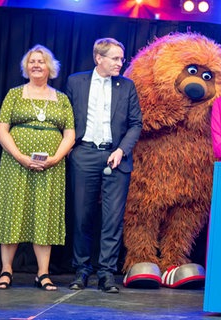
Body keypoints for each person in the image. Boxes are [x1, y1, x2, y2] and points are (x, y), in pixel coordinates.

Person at [0, 45, 75, 291]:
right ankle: (6, 271)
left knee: (44, 215)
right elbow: (0, 130)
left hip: (51, 167)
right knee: (12, 213)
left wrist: (55, 158)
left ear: (50, 67)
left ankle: (43, 273)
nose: (36, 65)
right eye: (31, 62)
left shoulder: (62, 99)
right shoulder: (14, 94)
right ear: (26, 67)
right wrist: (20, 156)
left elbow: (70, 134)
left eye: (40, 61)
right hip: (15, 164)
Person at [66, 38, 143, 293]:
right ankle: (82, 269)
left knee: (112, 220)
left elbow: (135, 123)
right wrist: (71, 150)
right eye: (115, 58)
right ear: (98, 58)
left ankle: (106, 274)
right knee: (82, 217)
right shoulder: (76, 82)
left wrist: (121, 150)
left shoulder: (127, 86)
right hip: (85, 154)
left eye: (122, 58)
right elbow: (67, 120)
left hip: (116, 156)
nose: (121, 63)